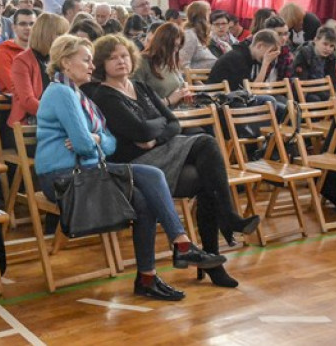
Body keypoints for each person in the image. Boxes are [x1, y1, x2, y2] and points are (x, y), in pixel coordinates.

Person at [34, 35, 226, 301]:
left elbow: (107, 141)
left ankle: (147, 277)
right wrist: (93, 142)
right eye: (86, 59)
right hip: (64, 178)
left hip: (88, 170)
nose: (92, 65)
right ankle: (181, 244)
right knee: (151, 174)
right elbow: (83, 145)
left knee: (145, 200)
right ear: (66, 63)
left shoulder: (79, 94)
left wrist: (97, 140)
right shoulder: (61, 92)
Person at [84, 34, 258, 288]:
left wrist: (157, 136)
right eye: (112, 58)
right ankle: (228, 219)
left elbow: (173, 122)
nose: (120, 61)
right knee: (206, 143)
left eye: (123, 55)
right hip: (139, 164)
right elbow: (141, 131)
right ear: (102, 65)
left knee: (205, 180)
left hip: (161, 151)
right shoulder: (104, 95)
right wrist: (157, 131)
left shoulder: (140, 88)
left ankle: (214, 261)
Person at [10, 13, 69, 128]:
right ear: (45, 35)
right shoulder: (22, 61)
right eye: (60, 35)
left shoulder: (59, 60)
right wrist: (58, 116)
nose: (65, 40)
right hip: (27, 125)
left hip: (52, 123)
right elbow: (28, 101)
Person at [134, 23, 194, 110]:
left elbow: (179, 87)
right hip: (161, 117)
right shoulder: (142, 63)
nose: (176, 50)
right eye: (173, 46)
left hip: (179, 111)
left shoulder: (168, 61)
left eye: (178, 46)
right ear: (161, 42)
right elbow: (139, 104)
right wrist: (169, 101)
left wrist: (183, 94)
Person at [208, 29, 281, 92]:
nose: (271, 56)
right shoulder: (238, 58)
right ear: (259, 46)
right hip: (221, 99)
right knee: (271, 101)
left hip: (236, 97)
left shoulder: (250, 58)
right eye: (270, 51)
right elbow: (252, 91)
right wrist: (265, 64)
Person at [292, 26, 336, 100]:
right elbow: (301, 82)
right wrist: (327, 95)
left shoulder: (331, 57)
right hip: (304, 91)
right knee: (315, 99)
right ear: (315, 40)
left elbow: (332, 79)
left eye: (332, 46)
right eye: (325, 44)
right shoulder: (304, 54)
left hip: (322, 90)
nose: (328, 49)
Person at [0, 8, 36, 94]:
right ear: (14, 27)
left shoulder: (40, 51)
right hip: (14, 103)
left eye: (32, 24)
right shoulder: (4, 52)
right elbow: (12, 85)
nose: (28, 28)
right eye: (22, 24)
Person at [178, 0, 218, 70]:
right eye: (208, 13)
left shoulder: (199, 34)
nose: (210, 17)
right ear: (202, 16)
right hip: (198, 79)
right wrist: (197, 80)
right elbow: (183, 65)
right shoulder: (189, 35)